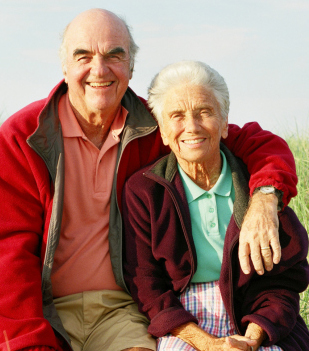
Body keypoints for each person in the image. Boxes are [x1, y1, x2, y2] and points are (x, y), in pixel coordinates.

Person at [0, 8, 298, 351]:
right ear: (65, 67)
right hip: (44, 308)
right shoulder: (23, 137)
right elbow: (9, 252)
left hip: (120, 309)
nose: (99, 70)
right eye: (83, 56)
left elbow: (251, 141)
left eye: (114, 55)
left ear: (131, 67)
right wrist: (28, 340)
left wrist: (264, 196)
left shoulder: (156, 127)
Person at [122, 61, 309, 351]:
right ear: (162, 132)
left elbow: (284, 281)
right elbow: (148, 287)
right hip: (184, 323)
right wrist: (207, 344)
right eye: (177, 115)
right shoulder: (144, 191)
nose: (192, 126)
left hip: (259, 317)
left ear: (224, 124)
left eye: (204, 112)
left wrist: (251, 339)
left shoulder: (260, 187)